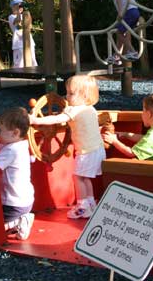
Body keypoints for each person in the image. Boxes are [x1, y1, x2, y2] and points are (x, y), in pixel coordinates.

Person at [29, 75, 106, 219]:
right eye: (67, 92)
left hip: (86, 152)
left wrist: (36, 119)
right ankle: (90, 203)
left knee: (78, 177)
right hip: (98, 149)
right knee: (86, 178)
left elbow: (57, 119)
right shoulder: (91, 109)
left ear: (84, 95)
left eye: (71, 93)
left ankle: (82, 207)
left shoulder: (74, 110)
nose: (67, 96)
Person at [0, 107, 35, 240]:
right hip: (23, 201)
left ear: (15, 132)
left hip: (13, 204)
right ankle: (21, 219)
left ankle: (20, 221)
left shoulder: (12, 151)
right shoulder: (18, 145)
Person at [103, 93, 153, 162]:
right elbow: (145, 138)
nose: (142, 114)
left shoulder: (152, 137)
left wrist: (114, 141)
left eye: (143, 110)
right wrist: (126, 135)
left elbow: (131, 153)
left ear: (148, 114)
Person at [101, 0, 140, 65]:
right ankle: (117, 56)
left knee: (119, 33)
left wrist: (120, 13)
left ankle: (132, 51)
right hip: (135, 11)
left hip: (129, 12)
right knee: (121, 33)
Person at [8, 0, 37, 68]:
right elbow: (17, 21)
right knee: (19, 63)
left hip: (28, 42)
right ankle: (18, 77)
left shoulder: (24, 15)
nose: (21, 7)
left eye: (21, 6)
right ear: (13, 7)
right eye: (18, 6)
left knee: (32, 59)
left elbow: (30, 25)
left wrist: (28, 14)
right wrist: (18, 12)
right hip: (18, 44)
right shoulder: (11, 17)